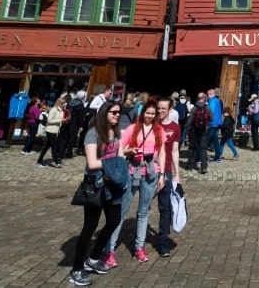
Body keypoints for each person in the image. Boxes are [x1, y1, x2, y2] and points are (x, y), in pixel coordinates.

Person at [67, 100, 129, 286]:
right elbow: (93, 163)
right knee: (89, 227)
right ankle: (76, 270)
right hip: (96, 185)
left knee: (114, 220)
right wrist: (114, 164)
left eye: (119, 112)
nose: (117, 115)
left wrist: (123, 159)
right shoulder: (93, 134)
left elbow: (120, 154)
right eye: (114, 112)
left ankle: (93, 259)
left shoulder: (116, 132)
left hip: (113, 184)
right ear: (105, 113)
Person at [104, 97, 166, 265]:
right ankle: (109, 250)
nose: (150, 116)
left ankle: (139, 247)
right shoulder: (132, 128)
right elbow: (120, 150)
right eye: (148, 113)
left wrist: (162, 175)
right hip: (132, 171)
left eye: (153, 114)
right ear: (142, 112)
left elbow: (161, 152)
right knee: (122, 212)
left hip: (150, 173)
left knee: (144, 212)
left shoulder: (159, 130)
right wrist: (130, 151)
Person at [152, 95, 182, 257]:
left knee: (165, 208)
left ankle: (163, 241)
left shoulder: (175, 127)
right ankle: (139, 241)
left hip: (168, 169)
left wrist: (177, 173)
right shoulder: (151, 124)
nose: (160, 111)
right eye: (158, 108)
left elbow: (175, 151)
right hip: (150, 170)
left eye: (163, 108)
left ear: (170, 109)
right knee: (144, 208)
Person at [36, 96, 65, 168]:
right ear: (60, 103)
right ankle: (56, 161)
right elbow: (49, 120)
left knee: (47, 146)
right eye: (63, 104)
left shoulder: (59, 110)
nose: (64, 105)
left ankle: (39, 160)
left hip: (55, 131)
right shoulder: (53, 110)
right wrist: (60, 120)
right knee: (54, 146)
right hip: (50, 130)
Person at [185, 92, 209, 173]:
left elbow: (189, 121)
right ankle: (204, 167)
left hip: (194, 130)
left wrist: (187, 131)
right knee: (202, 149)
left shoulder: (194, 108)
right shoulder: (207, 108)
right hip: (204, 131)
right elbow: (212, 118)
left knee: (192, 147)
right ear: (205, 98)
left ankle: (190, 165)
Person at [206, 88, 224, 162]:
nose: (207, 96)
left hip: (212, 123)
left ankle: (199, 157)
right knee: (215, 140)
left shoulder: (212, 101)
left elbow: (211, 111)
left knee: (206, 140)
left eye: (208, 94)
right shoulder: (218, 101)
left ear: (211, 94)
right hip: (217, 123)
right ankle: (217, 156)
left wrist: (205, 117)